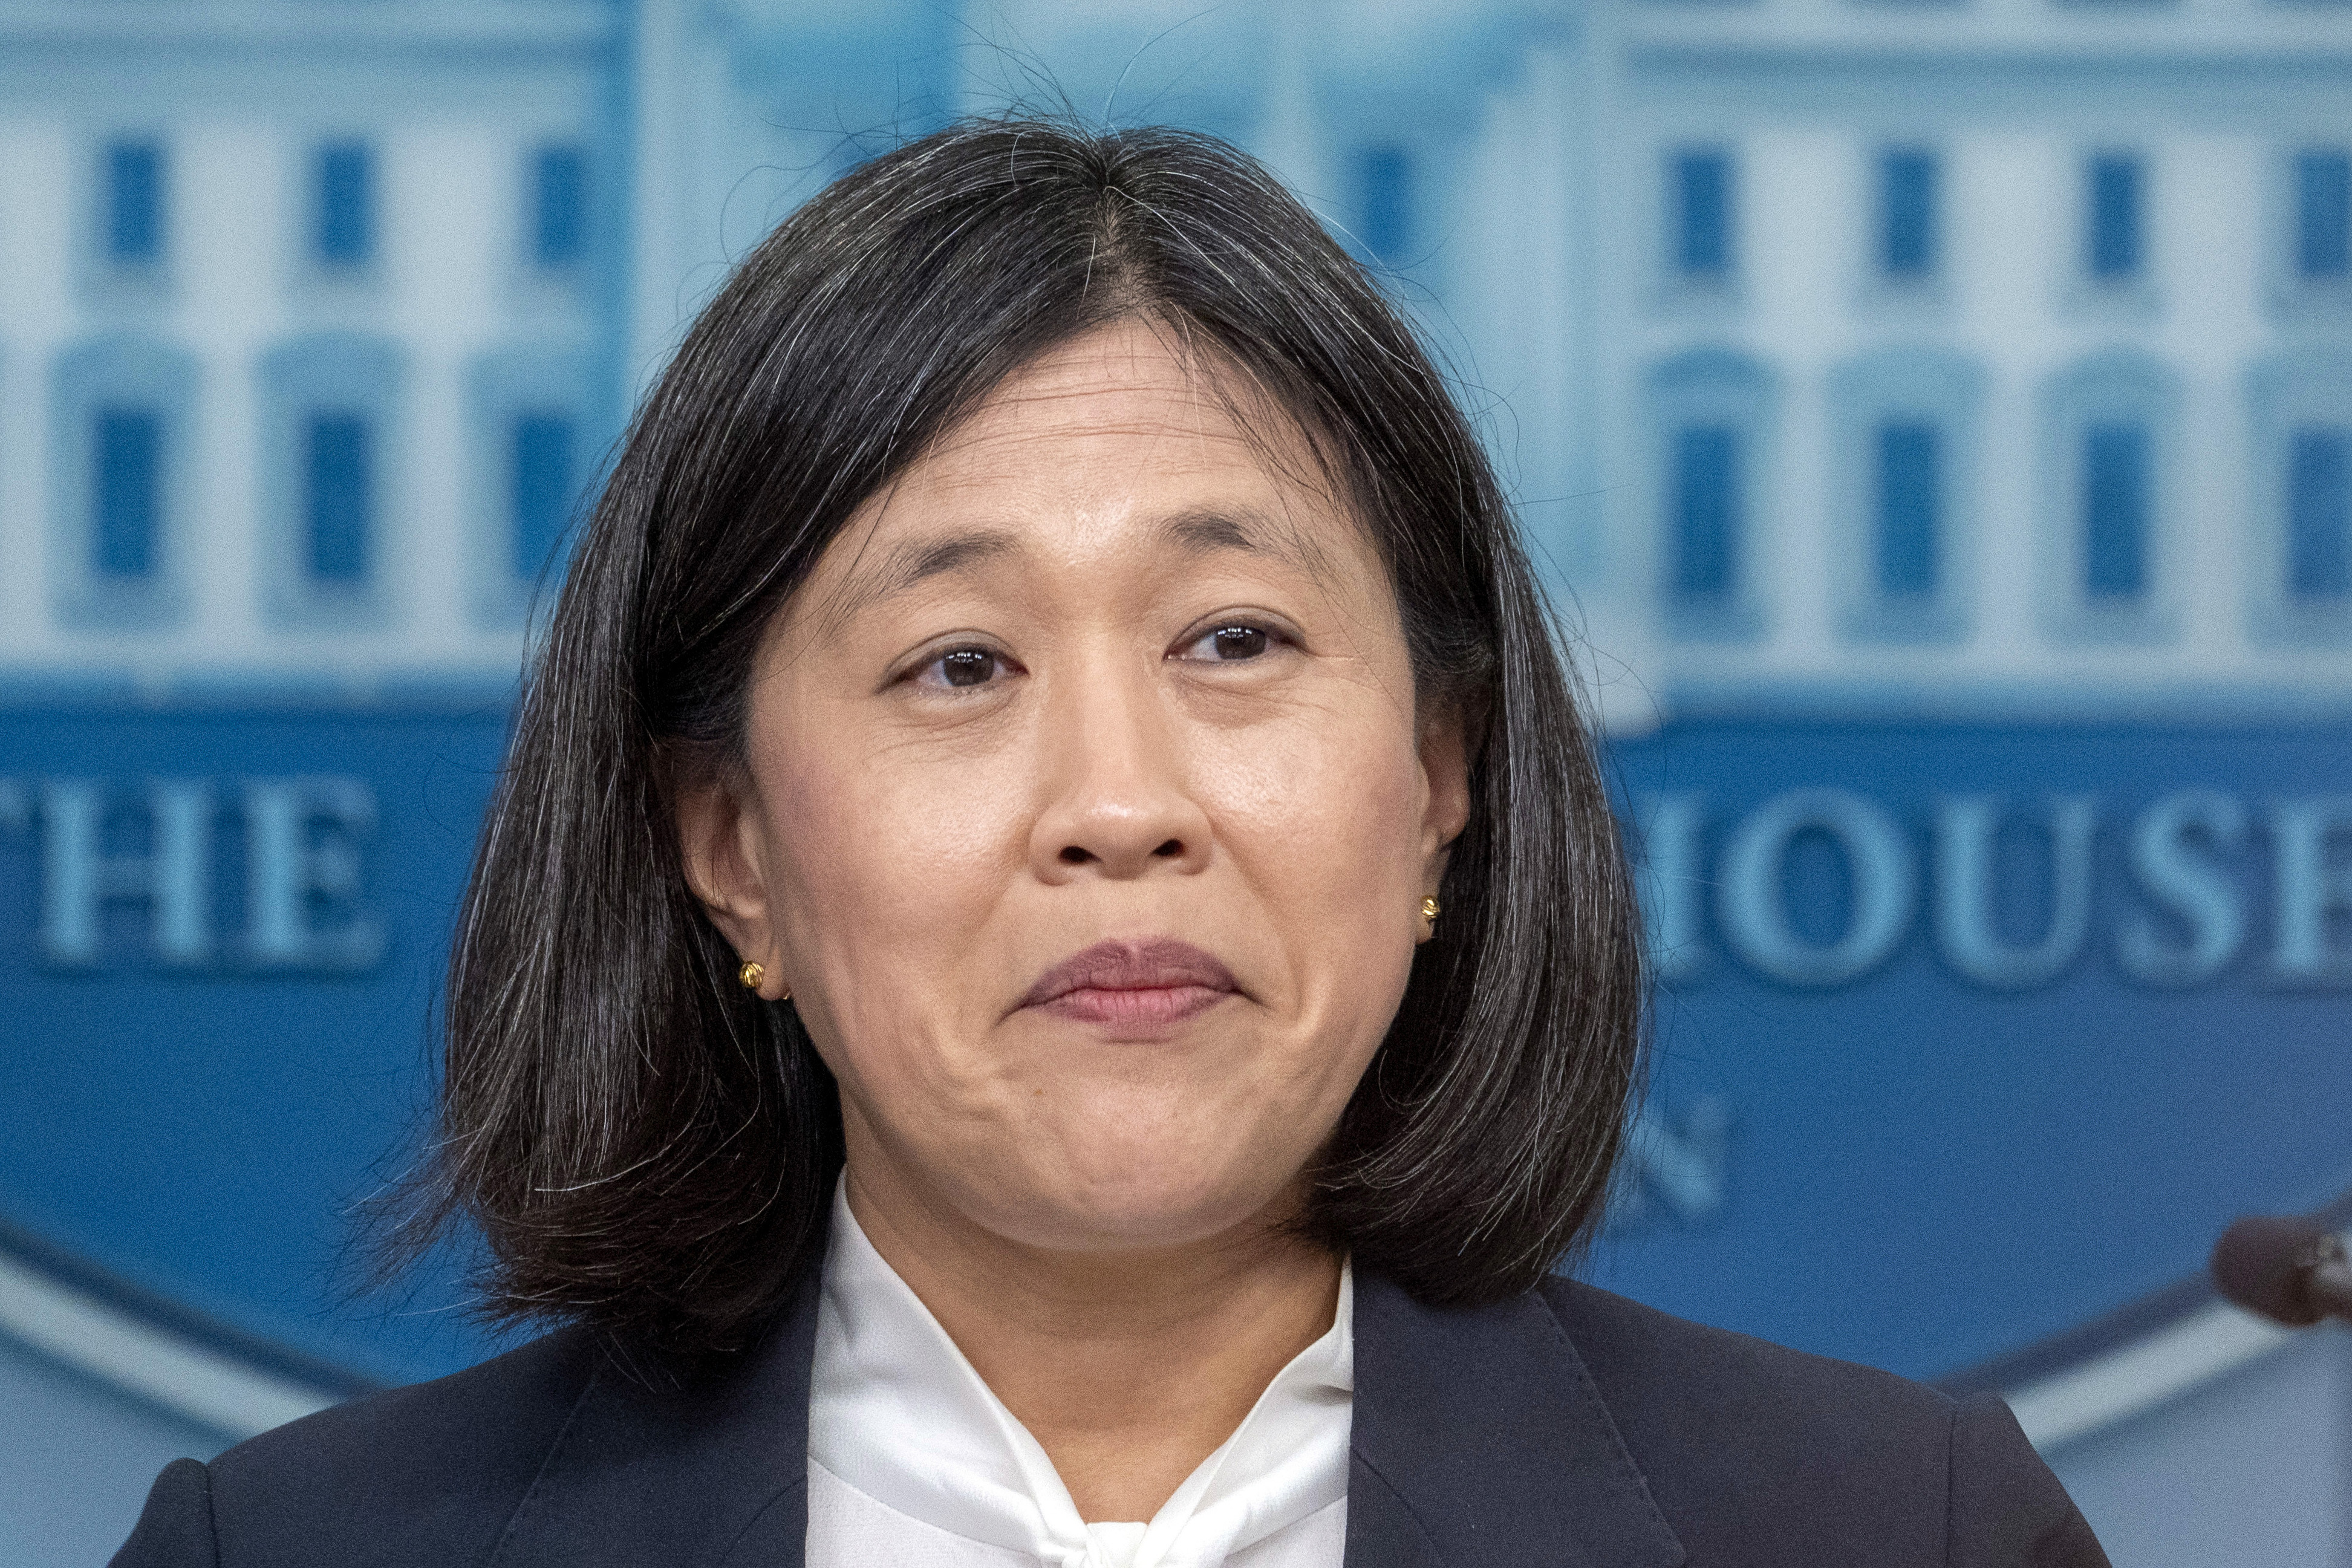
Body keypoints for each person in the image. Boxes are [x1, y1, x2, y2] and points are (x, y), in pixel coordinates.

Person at [112, 119, 2107, 1568]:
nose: (1118, 804)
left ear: (1438, 772)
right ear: (729, 849)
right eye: (958, 663)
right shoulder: (290, 1552)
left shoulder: (1882, 1531)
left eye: (1231, 639)